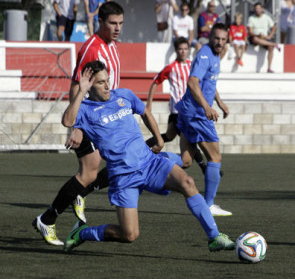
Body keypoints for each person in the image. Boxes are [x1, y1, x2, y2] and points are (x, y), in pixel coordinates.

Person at [61, 60, 236, 254]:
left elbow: (145, 113)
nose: (107, 85)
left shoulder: (124, 95)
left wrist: (160, 140)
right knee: (129, 235)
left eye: (108, 80)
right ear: (90, 86)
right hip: (123, 177)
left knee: (187, 182)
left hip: (149, 163)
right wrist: (80, 91)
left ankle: (214, 237)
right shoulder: (85, 109)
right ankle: (82, 233)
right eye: (101, 82)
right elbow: (67, 121)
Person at [32, 1, 124, 246]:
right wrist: (78, 127)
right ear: (101, 22)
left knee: (112, 166)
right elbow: (77, 86)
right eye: (113, 23)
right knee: (92, 171)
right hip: (90, 118)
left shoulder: (112, 45)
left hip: (106, 117)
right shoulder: (92, 49)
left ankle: (68, 204)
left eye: (120, 23)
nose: (117, 28)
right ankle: (48, 219)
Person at [175, 23, 232, 217]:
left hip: (191, 112)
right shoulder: (205, 55)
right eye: (217, 38)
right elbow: (193, 82)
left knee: (186, 160)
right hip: (197, 114)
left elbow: (210, 83)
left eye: (223, 39)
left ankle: (145, 163)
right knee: (215, 157)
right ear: (210, 37)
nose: (220, 42)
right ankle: (208, 205)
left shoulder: (215, 56)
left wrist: (220, 103)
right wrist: (207, 108)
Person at [146, 37, 207, 174]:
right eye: (180, 49)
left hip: (189, 110)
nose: (183, 52)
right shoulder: (171, 68)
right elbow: (155, 82)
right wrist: (149, 104)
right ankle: (204, 168)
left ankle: (144, 147)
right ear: (176, 50)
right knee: (189, 139)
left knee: (169, 136)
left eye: (185, 49)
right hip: (177, 111)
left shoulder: (192, 66)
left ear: (188, 50)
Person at [247, 2, 281, 73]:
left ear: (261, 9)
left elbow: (273, 27)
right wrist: (257, 35)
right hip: (255, 37)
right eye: (256, 8)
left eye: (259, 8)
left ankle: (269, 67)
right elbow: (250, 32)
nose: (257, 10)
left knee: (270, 48)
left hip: (264, 38)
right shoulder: (251, 18)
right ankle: (273, 44)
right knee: (255, 39)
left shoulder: (266, 17)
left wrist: (270, 35)